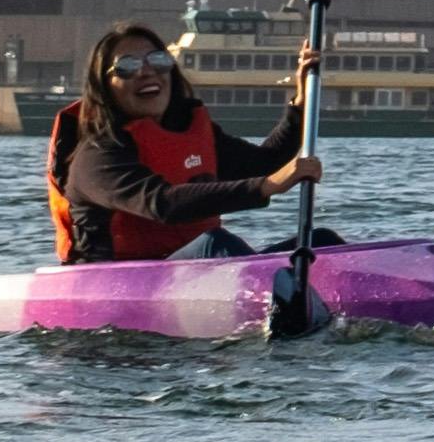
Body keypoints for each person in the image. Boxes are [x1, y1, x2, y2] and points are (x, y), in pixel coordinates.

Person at [44, 21, 308, 264]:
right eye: (127, 66)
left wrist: (300, 104)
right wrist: (268, 186)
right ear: (105, 86)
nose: (147, 73)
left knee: (319, 242)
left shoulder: (193, 135)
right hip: (118, 283)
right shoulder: (95, 157)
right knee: (215, 244)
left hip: (189, 272)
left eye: (158, 60)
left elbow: (266, 163)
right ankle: (297, 312)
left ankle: (326, 311)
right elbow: (162, 203)